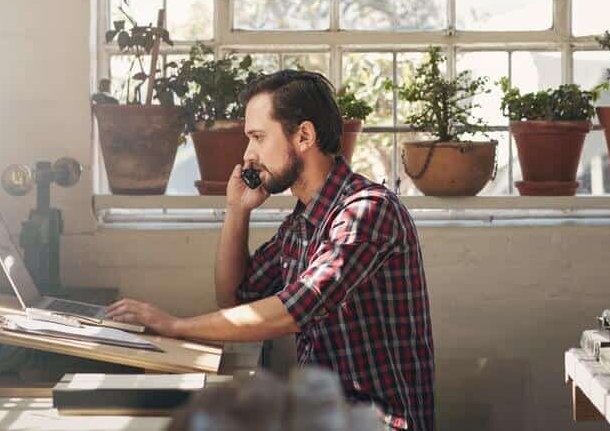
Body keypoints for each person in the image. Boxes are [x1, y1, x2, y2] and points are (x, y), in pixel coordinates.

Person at [106, 70, 435, 430]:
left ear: (304, 136)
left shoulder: (367, 210)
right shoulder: (301, 223)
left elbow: (295, 308)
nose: (248, 154)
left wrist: (176, 326)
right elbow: (235, 300)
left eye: (258, 137)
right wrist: (238, 211)